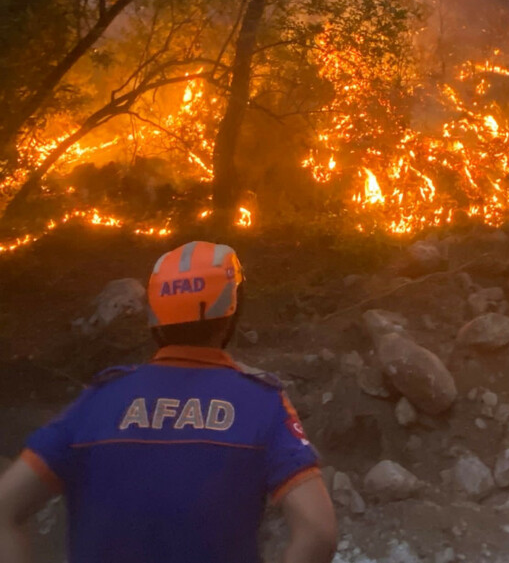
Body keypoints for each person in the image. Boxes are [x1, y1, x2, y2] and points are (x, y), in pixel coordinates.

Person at [0, 240, 337, 563]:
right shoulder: (260, 402)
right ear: (232, 313)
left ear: (155, 317)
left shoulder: (98, 400)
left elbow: (5, 508)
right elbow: (318, 531)